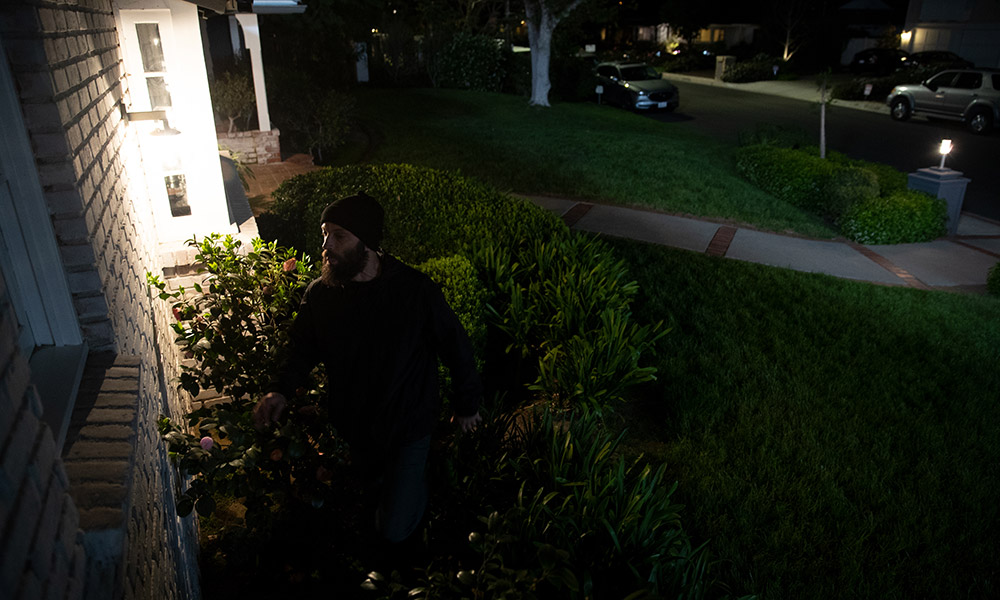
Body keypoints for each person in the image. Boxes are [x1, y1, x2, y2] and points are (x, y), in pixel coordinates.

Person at [253, 191, 482, 546]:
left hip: (409, 425)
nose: (327, 245)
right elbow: (300, 348)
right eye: (325, 233)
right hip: (356, 427)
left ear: (368, 243)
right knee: (373, 504)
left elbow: (455, 345)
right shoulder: (321, 296)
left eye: (339, 236)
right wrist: (278, 388)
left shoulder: (413, 291)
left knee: (394, 529)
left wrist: (467, 405)